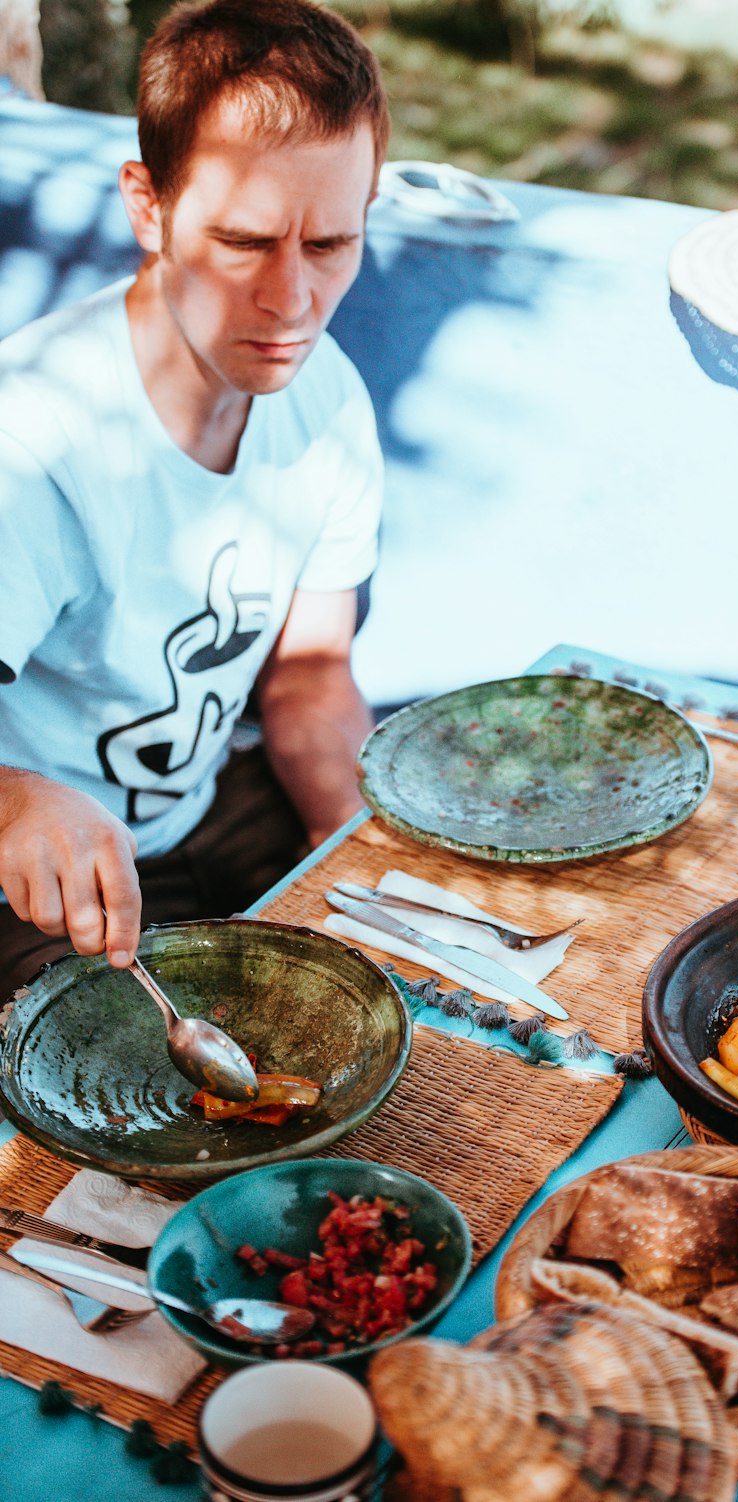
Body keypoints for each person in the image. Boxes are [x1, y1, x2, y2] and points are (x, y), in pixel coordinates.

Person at [0, 0, 391, 998]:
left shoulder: (329, 393)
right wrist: (14, 800)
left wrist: (362, 881)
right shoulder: (34, 438)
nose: (292, 301)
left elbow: (308, 677)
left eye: (329, 245)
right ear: (148, 207)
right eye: (246, 242)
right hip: (32, 879)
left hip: (204, 814)